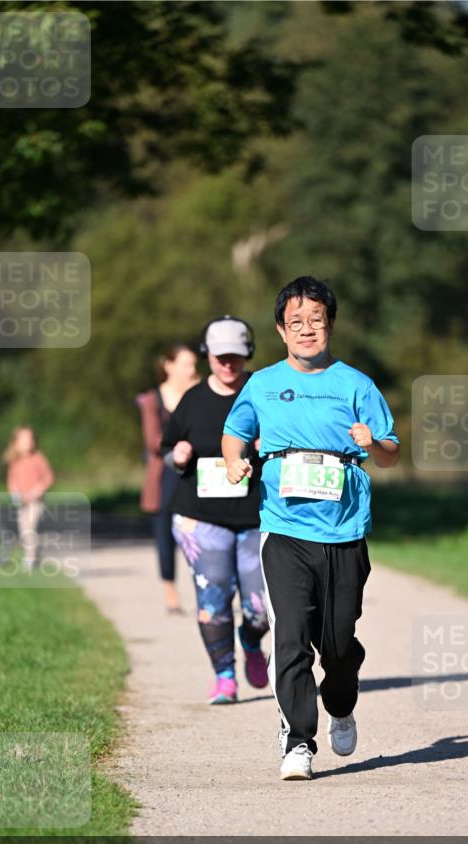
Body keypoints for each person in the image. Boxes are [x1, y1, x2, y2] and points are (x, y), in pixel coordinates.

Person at [222, 276, 400, 780]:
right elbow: (235, 433)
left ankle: (340, 704)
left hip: (344, 531)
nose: (307, 330)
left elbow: (389, 456)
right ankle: (298, 740)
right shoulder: (261, 384)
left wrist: (375, 442)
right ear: (281, 330)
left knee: (339, 644)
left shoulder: (356, 385)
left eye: (316, 321)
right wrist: (235, 462)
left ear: (330, 326)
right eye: (296, 322)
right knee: (292, 638)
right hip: (283, 529)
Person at [161, 317, 270, 704]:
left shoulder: (265, 390)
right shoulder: (193, 400)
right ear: (208, 356)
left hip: (259, 517)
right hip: (202, 518)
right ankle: (224, 675)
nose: (229, 364)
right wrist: (178, 455)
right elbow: (168, 447)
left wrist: (268, 443)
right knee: (214, 602)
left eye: (236, 357)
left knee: (260, 607)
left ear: (248, 355)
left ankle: (251, 642)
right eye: (221, 357)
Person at [137, 345, 198, 613]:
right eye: (186, 364)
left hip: (195, 472)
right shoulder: (153, 399)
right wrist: (184, 444)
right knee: (164, 532)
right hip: (165, 474)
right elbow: (153, 442)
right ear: (170, 366)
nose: (192, 370)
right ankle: (170, 591)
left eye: (194, 364)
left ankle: (207, 587)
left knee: (200, 532)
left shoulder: (200, 395)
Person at [4, 426, 54, 570]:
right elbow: (11, 481)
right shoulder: (15, 462)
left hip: (35, 502)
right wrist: (14, 493)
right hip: (21, 503)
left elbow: (48, 478)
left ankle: (30, 558)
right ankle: (34, 554)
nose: (28, 442)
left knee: (30, 529)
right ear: (16, 443)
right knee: (23, 530)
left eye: (30, 439)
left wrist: (37, 490)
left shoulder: (38, 458)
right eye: (24, 440)